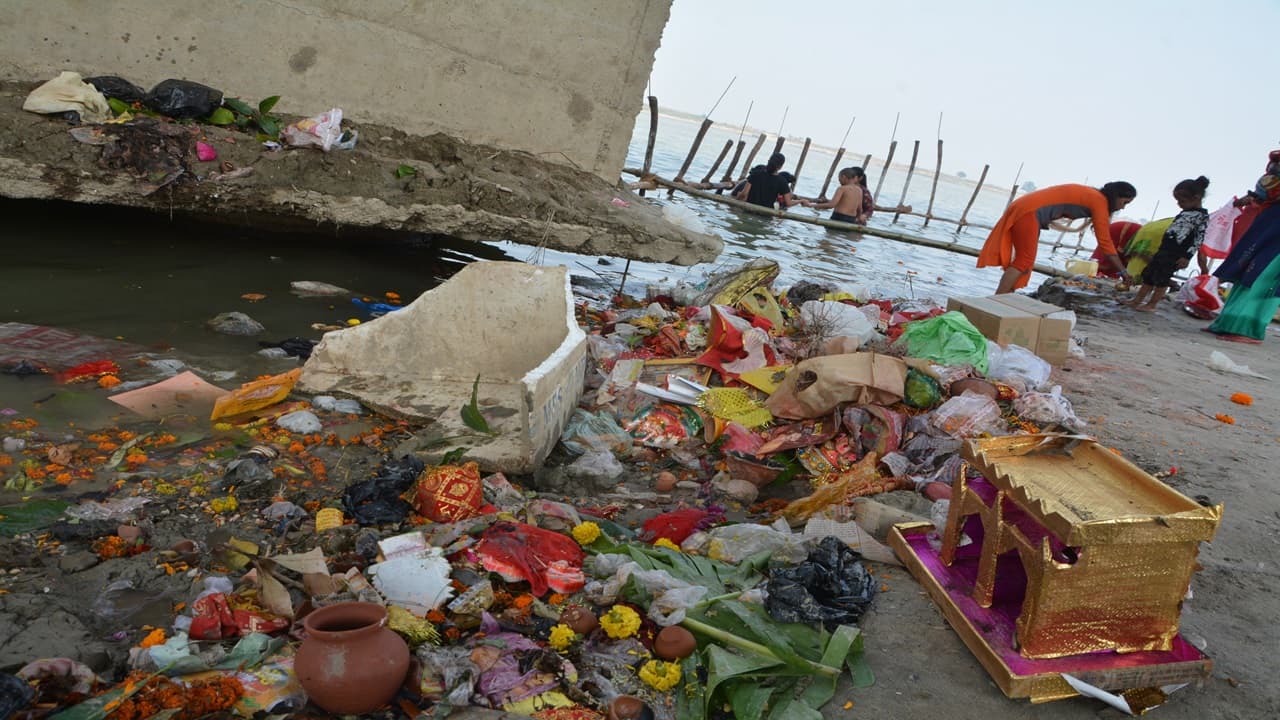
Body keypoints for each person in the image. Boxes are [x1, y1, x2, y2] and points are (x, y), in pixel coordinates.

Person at [977, 182, 1137, 293]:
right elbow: (1105, 243)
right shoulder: (1099, 202)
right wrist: (1123, 272)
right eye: (1124, 202)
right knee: (1024, 260)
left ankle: (1005, 295)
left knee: (1025, 260)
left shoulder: (1095, 197)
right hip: (1029, 212)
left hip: (1027, 209)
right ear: (1116, 196)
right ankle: (998, 298)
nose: (1123, 207)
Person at [1205, 150, 1280, 343]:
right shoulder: (1275, 162)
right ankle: (1227, 323)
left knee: (1265, 276)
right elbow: (1263, 192)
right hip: (1269, 222)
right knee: (1247, 270)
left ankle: (1248, 331)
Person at [1127, 177, 1211, 312]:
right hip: (1164, 249)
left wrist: (1187, 257)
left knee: (1162, 279)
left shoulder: (1201, 216)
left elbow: (1198, 239)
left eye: (1182, 201)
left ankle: (1152, 304)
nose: (1179, 204)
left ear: (1196, 198)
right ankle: (1137, 300)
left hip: (1176, 254)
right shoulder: (1185, 212)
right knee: (1149, 275)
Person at [733, 152, 798, 209]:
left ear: (768, 161)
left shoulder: (755, 174)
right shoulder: (782, 181)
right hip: (765, 216)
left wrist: (736, 200)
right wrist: (801, 201)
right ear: (781, 167)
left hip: (749, 211)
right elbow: (788, 203)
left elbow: (744, 194)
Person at [800, 167, 864, 222]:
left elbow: (831, 205)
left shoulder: (842, 188)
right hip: (851, 219)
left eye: (839, 178)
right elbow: (860, 209)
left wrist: (810, 205)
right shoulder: (859, 190)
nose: (839, 181)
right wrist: (857, 218)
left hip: (839, 217)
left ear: (843, 177)